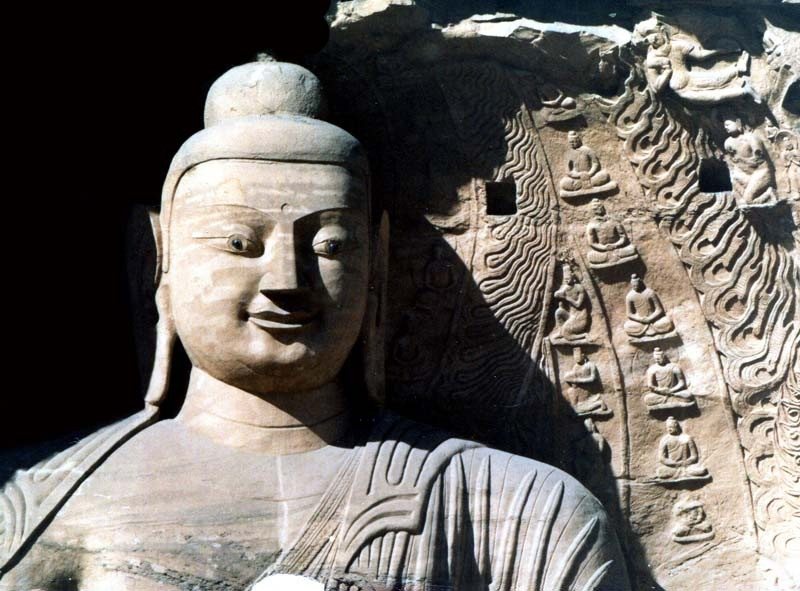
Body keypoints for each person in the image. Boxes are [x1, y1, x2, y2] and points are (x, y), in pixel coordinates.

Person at [0, 58, 629, 591]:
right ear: (155, 262)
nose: (286, 280)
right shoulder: (39, 508)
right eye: (239, 243)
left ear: (377, 266)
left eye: (329, 245)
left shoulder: (523, 512)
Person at [632, 18, 761, 105]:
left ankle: (738, 69)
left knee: (715, 79)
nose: (654, 41)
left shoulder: (677, 45)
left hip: (690, 77)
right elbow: (656, 88)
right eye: (648, 41)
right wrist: (666, 73)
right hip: (681, 90)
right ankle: (745, 90)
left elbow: (700, 55)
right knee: (715, 97)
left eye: (654, 36)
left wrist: (722, 50)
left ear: (661, 31)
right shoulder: (652, 59)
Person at [724, 118, 778, 207]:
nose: (725, 127)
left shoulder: (750, 138)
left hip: (761, 172)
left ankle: (769, 194)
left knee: (746, 201)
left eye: (728, 124)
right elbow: (734, 163)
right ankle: (758, 196)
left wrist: (741, 159)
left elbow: (759, 160)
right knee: (734, 180)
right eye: (724, 126)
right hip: (745, 174)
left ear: (738, 123)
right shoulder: (728, 142)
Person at [558, 131, 617, 199]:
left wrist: (590, 173)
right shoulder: (569, 154)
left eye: (574, 141)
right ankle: (584, 185)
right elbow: (568, 171)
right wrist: (578, 175)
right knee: (563, 183)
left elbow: (595, 163)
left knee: (604, 175)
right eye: (571, 142)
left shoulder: (586, 150)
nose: (573, 144)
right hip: (577, 180)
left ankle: (587, 184)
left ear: (578, 140)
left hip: (591, 177)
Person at [585, 199, 638, 269]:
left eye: (599, 207)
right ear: (592, 211)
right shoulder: (591, 225)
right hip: (603, 252)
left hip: (618, 249)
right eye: (595, 208)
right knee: (590, 256)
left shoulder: (613, 221)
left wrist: (615, 245)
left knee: (632, 249)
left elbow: (623, 237)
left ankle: (613, 257)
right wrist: (604, 247)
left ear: (603, 208)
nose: (598, 209)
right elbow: (592, 243)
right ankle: (610, 258)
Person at [624, 274, 676, 342]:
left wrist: (650, 318)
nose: (635, 287)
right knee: (627, 326)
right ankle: (648, 330)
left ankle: (648, 331)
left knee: (668, 322)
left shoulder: (650, 292)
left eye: (637, 285)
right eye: (633, 286)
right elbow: (629, 314)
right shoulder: (630, 296)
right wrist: (640, 319)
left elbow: (659, 309)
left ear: (640, 283)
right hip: (640, 323)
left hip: (654, 321)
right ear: (631, 285)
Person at [550, 264, 592, 344]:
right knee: (558, 312)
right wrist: (559, 293)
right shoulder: (566, 288)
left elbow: (578, 304)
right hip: (571, 315)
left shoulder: (579, 288)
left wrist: (566, 298)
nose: (566, 281)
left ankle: (584, 335)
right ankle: (561, 331)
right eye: (565, 279)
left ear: (573, 277)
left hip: (580, 318)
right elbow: (556, 294)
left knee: (567, 335)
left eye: (568, 279)